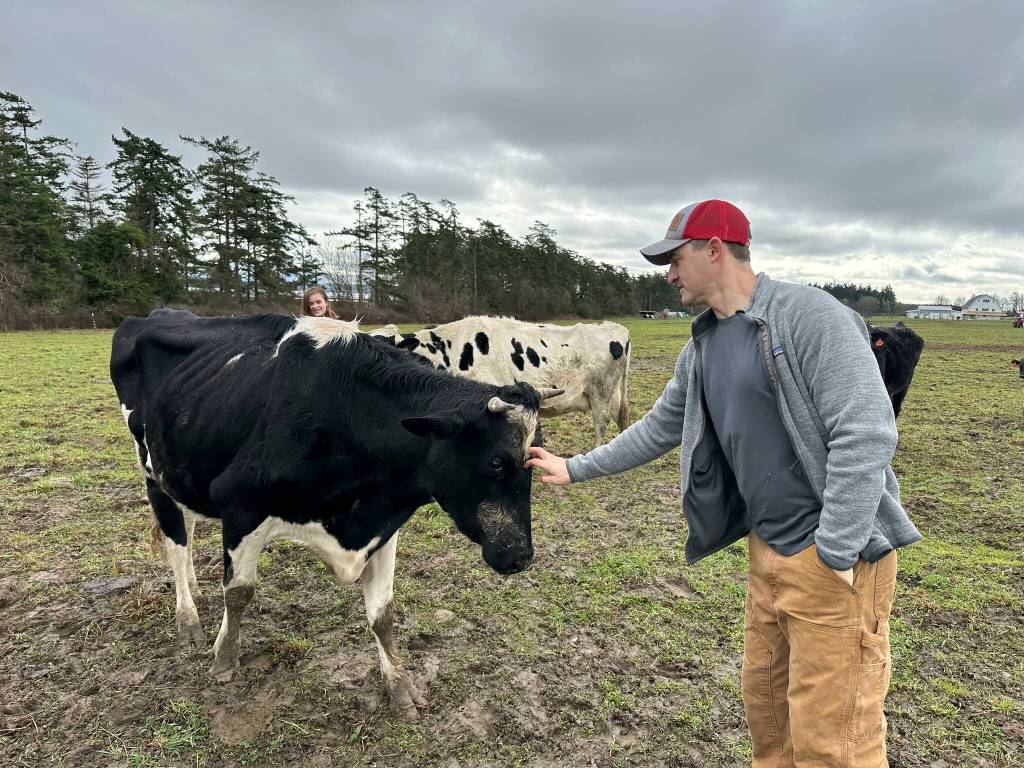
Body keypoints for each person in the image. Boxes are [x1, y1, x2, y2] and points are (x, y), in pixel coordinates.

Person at [526, 199, 920, 767]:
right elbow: (661, 426)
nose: (669, 274)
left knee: (836, 742)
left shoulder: (809, 316)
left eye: (675, 258)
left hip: (836, 564)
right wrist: (576, 466)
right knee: (769, 722)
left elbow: (865, 430)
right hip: (768, 556)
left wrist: (835, 550)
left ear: (714, 249)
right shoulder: (704, 344)